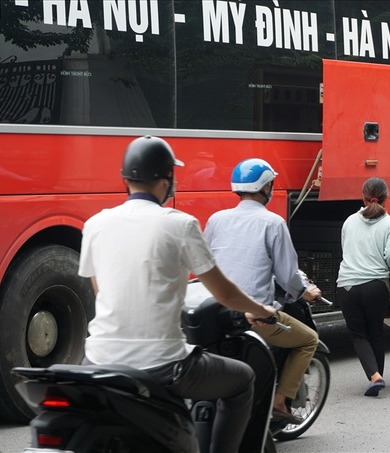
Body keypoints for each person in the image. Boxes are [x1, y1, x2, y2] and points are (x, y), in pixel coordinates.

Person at [78, 136, 277, 453]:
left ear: (126, 178)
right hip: (162, 365)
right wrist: (261, 309)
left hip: (97, 359)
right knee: (243, 380)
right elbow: (224, 292)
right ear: (166, 179)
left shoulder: (95, 224)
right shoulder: (180, 224)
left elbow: (102, 292)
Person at [203, 158, 321, 425]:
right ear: (266, 186)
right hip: (254, 314)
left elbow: (206, 263)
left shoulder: (216, 219)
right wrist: (304, 292)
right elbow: (288, 274)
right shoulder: (273, 223)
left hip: (215, 312)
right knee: (309, 340)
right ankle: (279, 402)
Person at [336, 177, 390, 397]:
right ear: (386, 199)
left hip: (347, 286)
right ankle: (376, 377)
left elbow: (345, 249)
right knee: (375, 332)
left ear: (363, 197)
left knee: (358, 334)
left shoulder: (349, 221)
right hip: (376, 287)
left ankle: (374, 376)